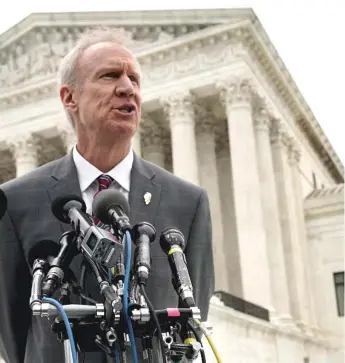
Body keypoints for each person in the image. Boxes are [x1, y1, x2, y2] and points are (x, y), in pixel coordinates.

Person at [0, 27, 215, 363]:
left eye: (135, 79)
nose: (128, 88)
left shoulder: (187, 203)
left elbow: (190, 317)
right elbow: (13, 334)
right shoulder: (16, 203)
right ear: (69, 97)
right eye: (110, 75)